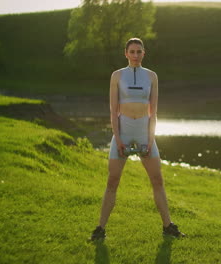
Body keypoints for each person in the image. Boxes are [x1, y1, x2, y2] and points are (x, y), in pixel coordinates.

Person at [90, 38, 185, 241]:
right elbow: (113, 110)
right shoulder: (117, 76)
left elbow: (154, 111)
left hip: (144, 131)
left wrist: (151, 139)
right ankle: (100, 230)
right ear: (126, 53)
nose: (135, 55)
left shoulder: (152, 76)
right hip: (123, 131)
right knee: (112, 180)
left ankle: (168, 226)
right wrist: (118, 138)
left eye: (138, 51)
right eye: (131, 51)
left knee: (157, 179)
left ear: (144, 53)